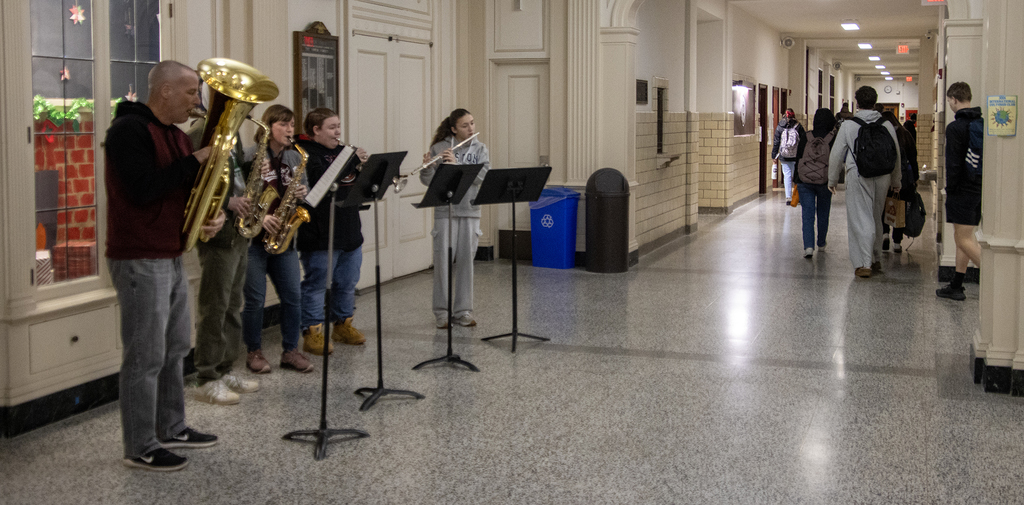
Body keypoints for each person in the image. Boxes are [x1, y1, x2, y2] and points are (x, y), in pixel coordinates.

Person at [104, 60, 223, 471]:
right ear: (166, 91)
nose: (198, 101)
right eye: (192, 92)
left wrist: (213, 214)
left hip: (170, 252)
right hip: (138, 255)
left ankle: (171, 427)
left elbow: (185, 192)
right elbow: (142, 190)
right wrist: (196, 161)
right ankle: (139, 445)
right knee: (144, 356)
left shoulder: (175, 135)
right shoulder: (127, 131)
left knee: (174, 349)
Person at [188, 115, 260, 405]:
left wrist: (253, 170)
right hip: (218, 232)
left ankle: (225, 367)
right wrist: (228, 201)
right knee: (214, 306)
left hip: (239, 230)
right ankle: (206, 376)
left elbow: (235, 174)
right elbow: (193, 182)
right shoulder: (199, 132)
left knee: (232, 304)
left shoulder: (236, 134)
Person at [240, 104, 314, 374]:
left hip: (284, 239)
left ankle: (290, 351)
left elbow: (301, 192)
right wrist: (260, 219)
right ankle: (254, 351)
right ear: (269, 126)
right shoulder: (251, 155)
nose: (290, 129)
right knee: (255, 301)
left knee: (293, 297)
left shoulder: (295, 158)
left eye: (292, 125)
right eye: (283, 124)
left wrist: (303, 191)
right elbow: (242, 195)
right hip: (254, 241)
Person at [295, 108, 370, 355]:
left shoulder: (343, 151)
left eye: (338, 126)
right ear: (315, 130)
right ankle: (312, 331)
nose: (338, 132)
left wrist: (365, 171)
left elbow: (354, 185)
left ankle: (343, 324)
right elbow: (321, 182)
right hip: (319, 231)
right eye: (331, 127)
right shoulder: (304, 152)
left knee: (348, 282)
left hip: (349, 227)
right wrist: (351, 160)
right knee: (317, 283)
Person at [421, 109, 490, 328]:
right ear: (453, 129)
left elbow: (483, 176)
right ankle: (442, 312)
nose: (470, 128)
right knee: (442, 263)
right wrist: (429, 167)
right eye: (464, 125)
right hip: (445, 211)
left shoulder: (480, 149)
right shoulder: (440, 148)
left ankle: (463, 311)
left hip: (470, 210)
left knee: (466, 264)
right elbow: (429, 182)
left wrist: (457, 166)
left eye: (472, 123)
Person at [827, 85, 901, 278]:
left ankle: (864, 263)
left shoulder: (849, 125)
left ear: (857, 103)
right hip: (883, 175)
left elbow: (836, 154)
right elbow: (896, 154)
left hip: (858, 174)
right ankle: (876, 257)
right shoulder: (885, 125)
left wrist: (832, 179)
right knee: (876, 215)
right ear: (874, 101)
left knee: (861, 217)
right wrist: (896, 180)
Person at [936, 82, 983, 301]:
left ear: (954, 99)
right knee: (963, 236)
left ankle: (995, 279)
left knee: (963, 239)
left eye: (949, 101)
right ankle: (957, 284)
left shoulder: (955, 127)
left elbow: (953, 163)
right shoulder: (980, 122)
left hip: (961, 190)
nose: (950, 105)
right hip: (977, 188)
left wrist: (950, 189)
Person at [794, 108, 836, 258]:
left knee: (807, 214)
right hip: (825, 181)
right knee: (823, 212)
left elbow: (798, 157)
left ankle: (808, 247)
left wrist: (796, 180)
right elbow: (836, 160)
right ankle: (821, 243)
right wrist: (834, 180)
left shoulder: (806, 136)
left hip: (805, 181)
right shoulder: (832, 138)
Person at [880, 110, 919, 254]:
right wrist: (915, 177)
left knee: (884, 207)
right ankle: (897, 242)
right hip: (904, 179)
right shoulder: (906, 134)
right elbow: (913, 159)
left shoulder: (883, 135)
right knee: (900, 208)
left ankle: (884, 234)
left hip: (885, 177)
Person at [772, 109, 805, 204]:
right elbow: (803, 140)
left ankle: (788, 198)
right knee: (796, 176)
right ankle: (796, 197)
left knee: (787, 176)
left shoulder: (780, 126)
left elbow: (776, 142)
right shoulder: (798, 126)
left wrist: (774, 155)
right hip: (796, 156)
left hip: (784, 156)